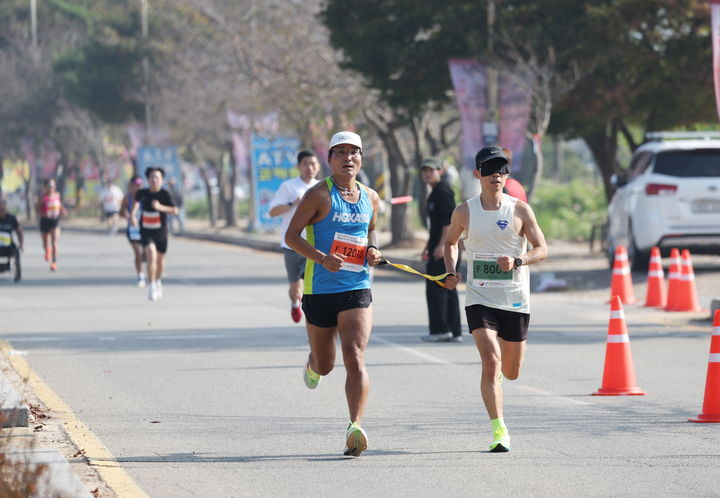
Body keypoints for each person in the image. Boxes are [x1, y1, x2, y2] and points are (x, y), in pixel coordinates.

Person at [443, 145, 548, 453]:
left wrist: (519, 261)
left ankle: (499, 382)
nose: (496, 175)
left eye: (501, 169)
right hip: (479, 297)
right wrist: (451, 270)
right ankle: (499, 429)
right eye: (489, 170)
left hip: (515, 298)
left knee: (511, 372)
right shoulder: (464, 211)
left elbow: (543, 249)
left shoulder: (519, 210)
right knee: (491, 361)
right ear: (477, 174)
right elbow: (450, 242)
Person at [285, 131, 383, 457]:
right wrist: (321, 258)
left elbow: (370, 231)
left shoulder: (371, 197)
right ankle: (313, 365)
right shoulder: (318, 195)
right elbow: (291, 236)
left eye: (354, 152)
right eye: (340, 152)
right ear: (330, 160)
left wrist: (372, 249)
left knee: (354, 354)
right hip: (319, 289)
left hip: (356, 287)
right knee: (326, 364)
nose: (347, 158)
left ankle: (355, 426)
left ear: (361, 159)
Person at [268, 150, 321, 322]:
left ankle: (313, 314)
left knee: (314, 286)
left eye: (313, 164)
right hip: (292, 245)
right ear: (299, 166)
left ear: (318, 166)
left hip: (315, 245)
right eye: (306, 164)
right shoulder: (288, 187)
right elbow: (273, 212)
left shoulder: (322, 187)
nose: (310, 168)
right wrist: (293, 204)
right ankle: (295, 303)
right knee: (295, 287)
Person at [419, 157, 462, 343]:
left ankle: (440, 330)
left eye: (432, 170)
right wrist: (428, 246)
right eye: (425, 170)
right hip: (439, 246)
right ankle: (454, 331)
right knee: (448, 287)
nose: (428, 173)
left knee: (436, 289)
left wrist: (440, 247)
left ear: (440, 171)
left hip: (446, 248)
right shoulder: (434, 193)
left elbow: (448, 223)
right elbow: (435, 226)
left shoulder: (443, 192)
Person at [130, 167, 178, 301]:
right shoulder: (142, 193)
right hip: (146, 231)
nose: (154, 180)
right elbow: (136, 205)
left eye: (157, 177)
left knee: (160, 260)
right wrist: (133, 216)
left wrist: (160, 207)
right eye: (152, 177)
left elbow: (175, 210)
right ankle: (151, 286)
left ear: (162, 180)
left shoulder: (165, 194)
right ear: (148, 179)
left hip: (161, 232)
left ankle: (157, 281)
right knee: (151, 255)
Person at [36, 178, 67, 272]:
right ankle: (47, 250)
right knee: (45, 242)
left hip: (55, 220)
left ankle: (54, 262)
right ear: (45, 187)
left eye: (53, 186)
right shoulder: (42, 198)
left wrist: (63, 210)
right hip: (45, 221)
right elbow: (37, 208)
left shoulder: (57, 195)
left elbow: (59, 204)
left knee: (54, 241)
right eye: (49, 186)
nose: (51, 188)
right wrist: (43, 214)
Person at [120, 175, 146, 287]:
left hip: (146, 228)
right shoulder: (127, 198)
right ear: (131, 186)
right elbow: (121, 212)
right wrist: (128, 215)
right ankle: (140, 275)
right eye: (136, 185)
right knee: (137, 253)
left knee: (146, 253)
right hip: (133, 229)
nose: (138, 187)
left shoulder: (146, 196)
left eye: (140, 185)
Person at [0, 197, 23, 281]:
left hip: (8, 245)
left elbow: (19, 232)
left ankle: (17, 274)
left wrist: (21, 244)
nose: (1, 209)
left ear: (5, 207)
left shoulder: (11, 218)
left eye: (2, 207)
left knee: (16, 251)